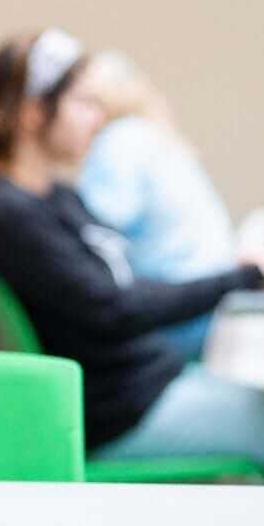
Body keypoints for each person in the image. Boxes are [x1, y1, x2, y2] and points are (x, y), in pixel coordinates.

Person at [0, 29, 264, 485]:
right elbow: (116, 307)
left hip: (151, 388)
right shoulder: (8, 214)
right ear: (33, 113)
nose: (98, 116)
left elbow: (122, 284)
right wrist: (243, 276)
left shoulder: (56, 198)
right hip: (122, 415)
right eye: (83, 102)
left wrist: (239, 266)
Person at [74, 51, 240, 360]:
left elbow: (91, 232)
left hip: (181, 315)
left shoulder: (119, 142)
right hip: (210, 308)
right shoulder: (155, 137)